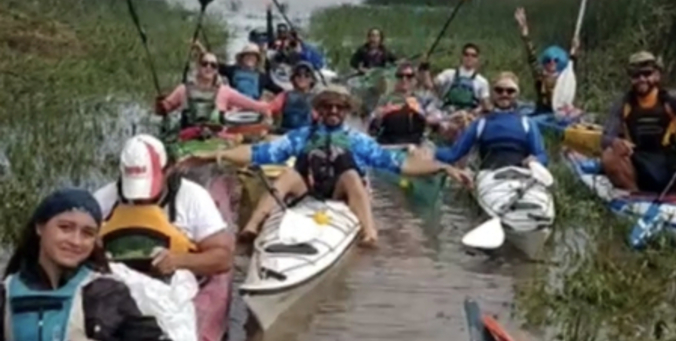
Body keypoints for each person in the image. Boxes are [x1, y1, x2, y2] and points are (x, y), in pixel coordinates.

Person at [185, 85, 470, 246]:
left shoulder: (358, 140)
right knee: (286, 174)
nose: (333, 112)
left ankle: (370, 234)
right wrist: (216, 156)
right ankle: (252, 227)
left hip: (341, 195)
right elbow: (260, 152)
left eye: (339, 108)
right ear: (319, 110)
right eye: (327, 107)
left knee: (350, 173)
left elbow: (400, 164)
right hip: (307, 189)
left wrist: (442, 167)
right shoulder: (302, 136)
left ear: (345, 111)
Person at [0, 188, 177, 341]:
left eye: (87, 233)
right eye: (65, 228)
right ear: (39, 227)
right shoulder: (5, 294)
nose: (76, 241)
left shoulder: (104, 293)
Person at [93, 134, 234, 277]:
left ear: (168, 170)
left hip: (176, 288)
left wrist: (180, 261)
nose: (141, 199)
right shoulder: (103, 199)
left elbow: (223, 258)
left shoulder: (193, 197)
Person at [600, 51, 676, 194]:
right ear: (631, 78)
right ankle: (635, 195)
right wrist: (615, 143)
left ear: (656, 75)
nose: (642, 79)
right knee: (609, 156)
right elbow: (605, 137)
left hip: (668, 163)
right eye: (636, 76)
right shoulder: (623, 103)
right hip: (636, 164)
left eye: (647, 74)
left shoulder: (670, 98)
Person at [435, 72, 548, 169]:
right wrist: (426, 150)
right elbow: (453, 154)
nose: (504, 94)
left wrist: (535, 160)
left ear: (516, 94)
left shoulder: (527, 123)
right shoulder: (481, 124)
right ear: (492, 94)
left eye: (510, 91)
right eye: (499, 90)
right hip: (489, 176)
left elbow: (541, 155)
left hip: (522, 174)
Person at [155, 51, 271, 128]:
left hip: (217, 143)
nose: (208, 67)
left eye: (213, 65)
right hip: (187, 141)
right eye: (205, 64)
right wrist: (160, 104)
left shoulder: (225, 92)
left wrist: (269, 108)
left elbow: (254, 105)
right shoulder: (183, 89)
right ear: (198, 67)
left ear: (216, 70)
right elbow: (163, 109)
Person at [514, 7, 579, 114]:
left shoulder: (565, 76)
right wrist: (525, 35)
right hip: (542, 113)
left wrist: (575, 51)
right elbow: (532, 57)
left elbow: (572, 64)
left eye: (555, 60)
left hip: (561, 113)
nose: (552, 63)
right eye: (548, 60)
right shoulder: (540, 75)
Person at [192, 41, 284, 100]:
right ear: (242, 58)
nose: (250, 58)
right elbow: (213, 64)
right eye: (247, 56)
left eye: (253, 57)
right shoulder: (233, 71)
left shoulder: (262, 77)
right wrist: (201, 49)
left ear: (257, 60)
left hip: (254, 110)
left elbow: (278, 90)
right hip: (234, 109)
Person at [368, 62, 433, 145]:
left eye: (409, 76)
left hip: (415, 142)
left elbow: (433, 120)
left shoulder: (423, 98)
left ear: (414, 79)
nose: (404, 79)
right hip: (390, 142)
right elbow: (371, 127)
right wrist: (382, 114)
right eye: (400, 76)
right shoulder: (385, 99)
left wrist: (419, 111)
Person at [435, 43, 491, 114]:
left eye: (473, 56)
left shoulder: (482, 81)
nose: (469, 58)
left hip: (470, 116)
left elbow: (485, 103)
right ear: (461, 56)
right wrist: (424, 70)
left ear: (477, 59)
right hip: (447, 113)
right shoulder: (448, 74)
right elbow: (432, 85)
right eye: (466, 54)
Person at [264, 61, 318, 132]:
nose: (302, 78)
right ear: (293, 78)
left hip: (307, 135)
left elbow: (319, 118)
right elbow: (270, 108)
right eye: (298, 75)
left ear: (312, 80)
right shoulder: (285, 95)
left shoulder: (317, 99)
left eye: (306, 75)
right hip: (285, 134)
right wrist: (267, 116)